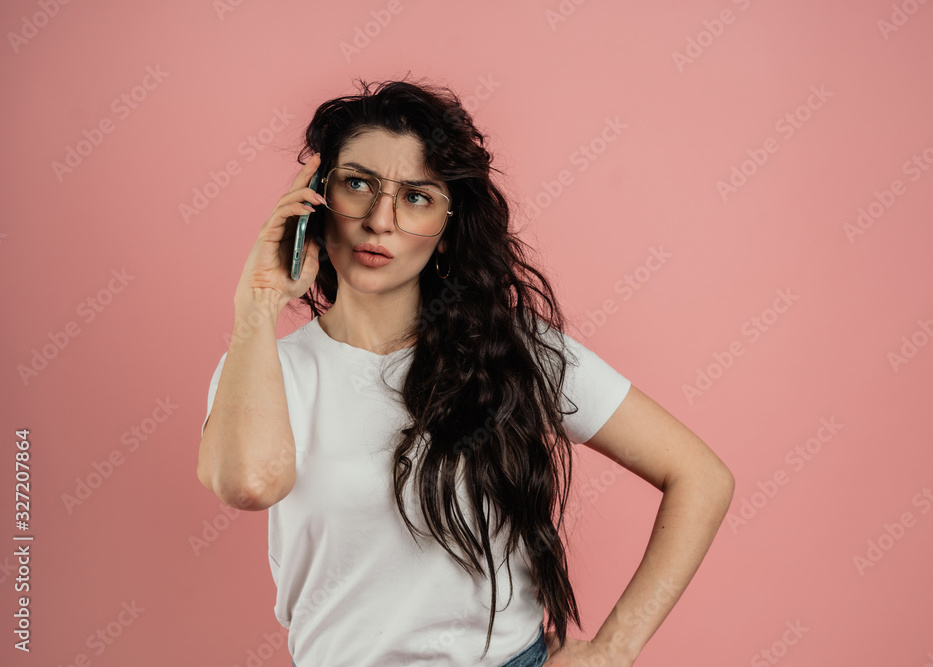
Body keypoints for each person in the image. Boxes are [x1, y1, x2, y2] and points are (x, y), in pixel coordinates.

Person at [196, 77, 735, 667]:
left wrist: (612, 650)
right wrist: (257, 303)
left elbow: (700, 477)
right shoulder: (266, 368)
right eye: (358, 184)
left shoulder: (512, 349)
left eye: (417, 197)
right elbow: (247, 485)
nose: (380, 220)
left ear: (448, 235)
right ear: (317, 204)